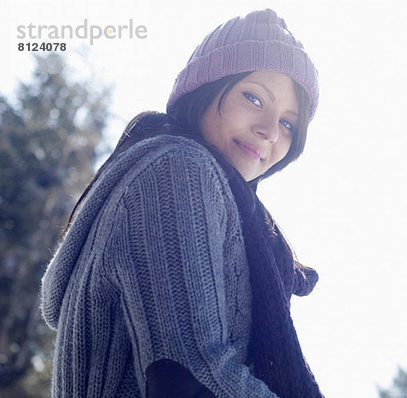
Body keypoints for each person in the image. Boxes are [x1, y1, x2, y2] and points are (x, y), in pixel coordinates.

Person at [41, 9, 323, 397]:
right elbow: (191, 372)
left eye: (289, 123)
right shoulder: (178, 170)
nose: (270, 131)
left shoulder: (229, 209)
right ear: (204, 89)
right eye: (254, 98)